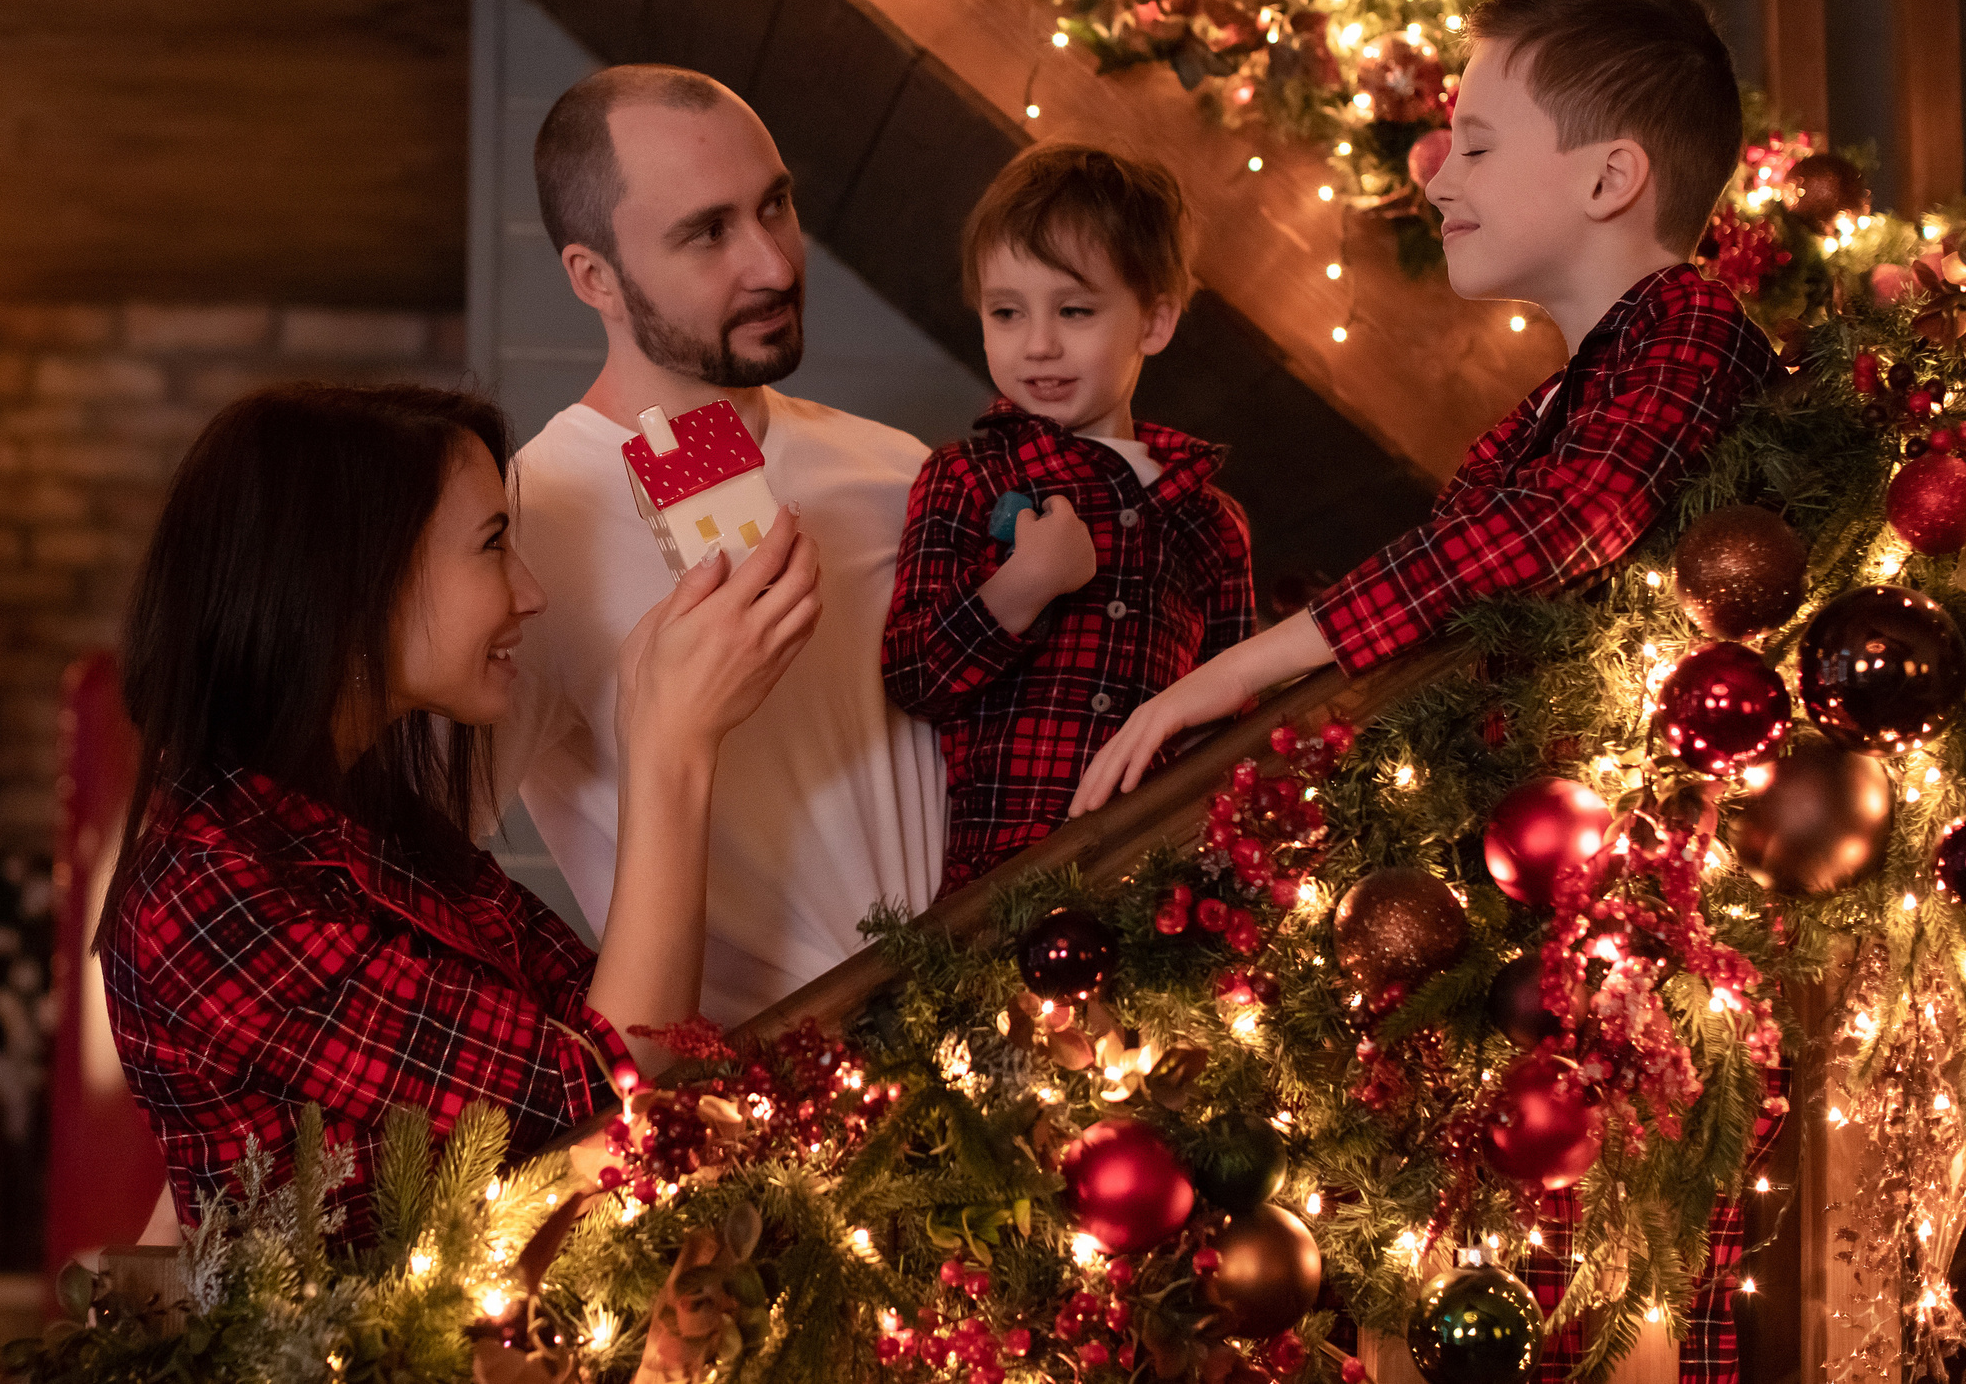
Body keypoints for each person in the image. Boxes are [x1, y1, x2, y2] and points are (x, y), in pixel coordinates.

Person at [99, 383, 821, 1242]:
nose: (531, 592)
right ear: (353, 588)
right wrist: (670, 748)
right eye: (492, 545)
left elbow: (584, 1025)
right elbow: (601, 1103)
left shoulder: (359, 817)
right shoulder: (210, 892)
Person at [1072, 0, 1783, 812]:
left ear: (1609, 179)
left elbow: (1563, 521)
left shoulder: (1692, 323)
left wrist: (1240, 668)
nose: (1439, 184)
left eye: (1476, 148)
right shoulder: (1542, 417)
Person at [497, 64, 945, 1027]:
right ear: (594, 278)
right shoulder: (532, 528)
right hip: (770, 1113)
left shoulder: (894, 468)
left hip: (1001, 1028)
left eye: (775, 205)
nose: (776, 265)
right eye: (707, 232)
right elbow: (404, 859)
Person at [882, 144, 1252, 891]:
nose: (1039, 343)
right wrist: (1024, 587)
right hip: (994, 890)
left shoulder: (1209, 521)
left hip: (1152, 883)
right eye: (1007, 312)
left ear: (1153, 321)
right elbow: (913, 675)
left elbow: (1229, 718)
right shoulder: (966, 476)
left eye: (1075, 310)